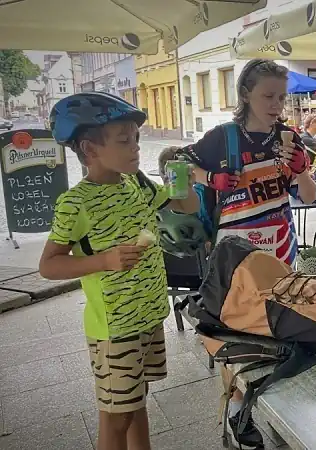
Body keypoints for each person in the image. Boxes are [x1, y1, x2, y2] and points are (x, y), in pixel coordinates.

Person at [159, 58, 316, 450]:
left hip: (281, 253)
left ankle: (276, 409)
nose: (276, 104)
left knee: (280, 334)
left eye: (281, 97)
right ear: (245, 94)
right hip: (234, 260)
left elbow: (309, 196)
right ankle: (236, 414)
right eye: (268, 96)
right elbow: (175, 167)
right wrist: (209, 178)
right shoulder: (222, 138)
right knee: (238, 341)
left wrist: (302, 169)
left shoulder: (289, 138)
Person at [38, 92, 201, 450]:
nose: (136, 147)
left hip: (147, 314)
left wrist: (186, 185)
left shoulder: (137, 183)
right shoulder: (76, 203)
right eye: (124, 140)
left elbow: (185, 206)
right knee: (116, 417)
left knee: (136, 402)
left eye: (137, 138)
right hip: (115, 328)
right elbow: (48, 265)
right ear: (89, 148)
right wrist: (104, 260)